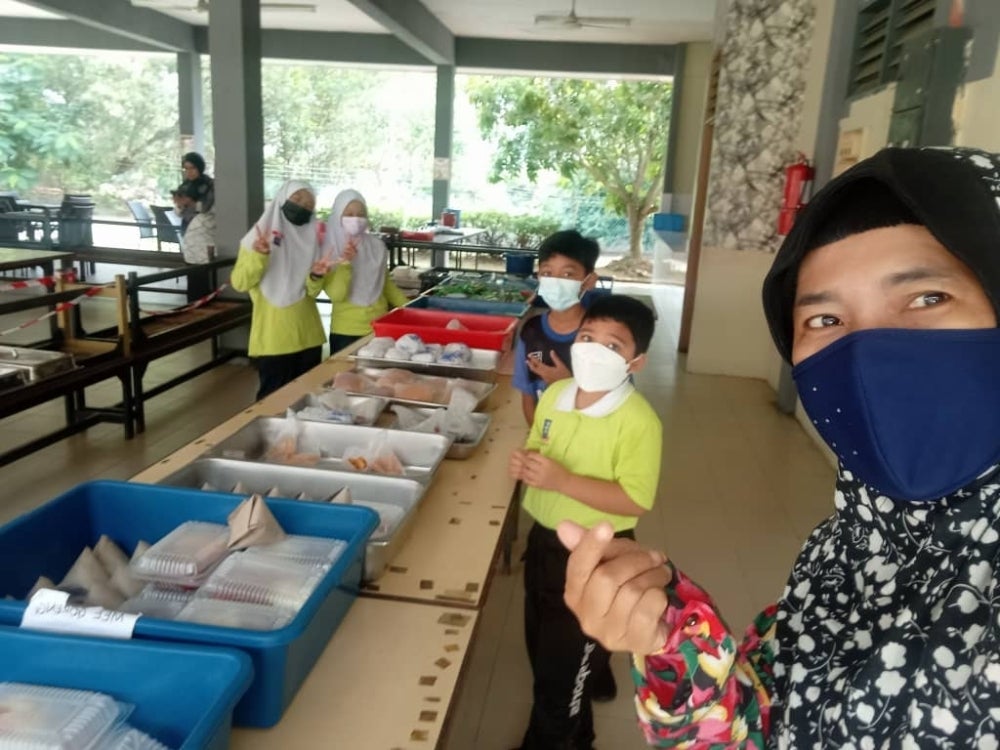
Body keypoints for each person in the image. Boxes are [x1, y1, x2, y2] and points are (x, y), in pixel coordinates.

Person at [557, 147, 1000, 747]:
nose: (869, 355)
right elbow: (753, 730)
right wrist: (673, 641)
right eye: (824, 320)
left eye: (927, 298)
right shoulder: (847, 548)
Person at [509, 294, 663, 750]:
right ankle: (580, 734)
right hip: (543, 543)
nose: (594, 349)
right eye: (587, 337)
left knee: (562, 683)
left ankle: (552, 741)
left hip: (597, 558)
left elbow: (635, 499)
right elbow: (540, 441)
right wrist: (529, 463)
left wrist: (562, 480)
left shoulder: (639, 421)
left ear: (635, 363)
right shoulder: (556, 394)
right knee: (542, 651)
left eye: (612, 346)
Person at [230, 179, 325, 401]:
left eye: (309, 203)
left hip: (309, 336)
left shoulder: (312, 243)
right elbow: (240, 282)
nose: (303, 205)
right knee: (273, 401)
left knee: (307, 400)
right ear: (281, 199)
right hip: (275, 338)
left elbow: (312, 291)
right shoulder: (256, 239)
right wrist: (259, 256)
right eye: (297, 198)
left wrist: (316, 276)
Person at [513, 230, 600, 426]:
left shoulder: (603, 338)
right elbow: (528, 397)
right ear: (539, 278)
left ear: (589, 281)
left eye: (568, 274)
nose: (557, 281)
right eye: (547, 273)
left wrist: (567, 384)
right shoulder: (531, 332)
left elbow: (617, 402)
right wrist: (538, 441)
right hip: (544, 441)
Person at [307, 189, 408, 354]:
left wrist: (410, 309)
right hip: (346, 331)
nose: (356, 218)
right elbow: (337, 295)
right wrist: (346, 264)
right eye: (349, 213)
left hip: (378, 328)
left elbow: (385, 285)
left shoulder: (376, 246)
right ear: (338, 215)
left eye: (361, 214)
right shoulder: (327, 250)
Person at [176, 181, 216, 302]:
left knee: (203, 286)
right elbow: (179, 211)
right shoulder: (191, 206)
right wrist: (182, 205)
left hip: (204, 250)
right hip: (192, 250)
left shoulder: (208, 191)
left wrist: (191, 204)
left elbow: (208, 208)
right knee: (194, 285)